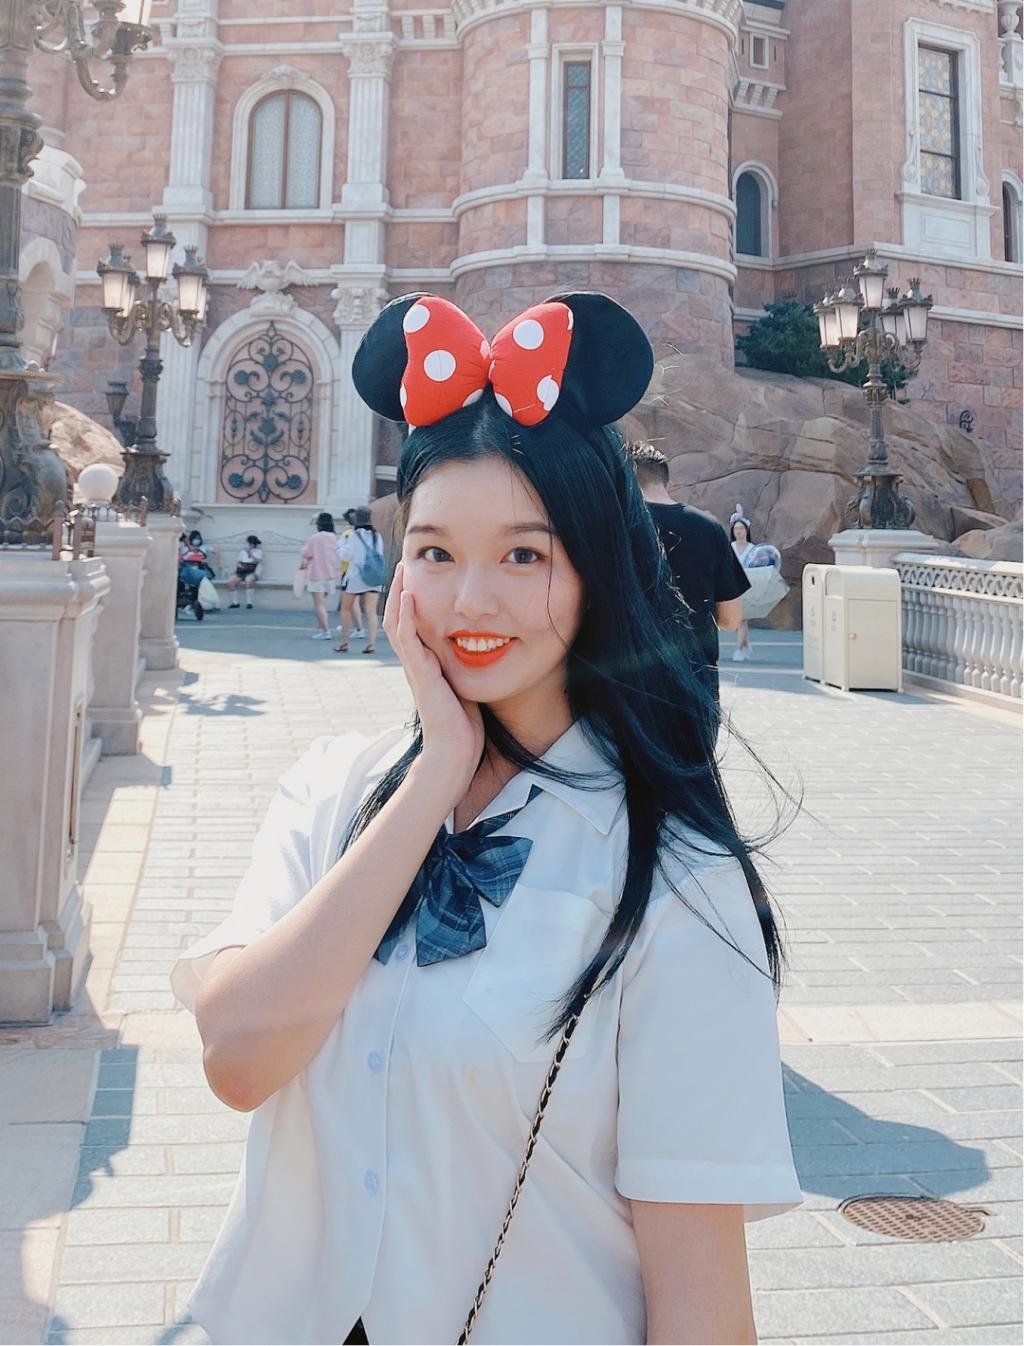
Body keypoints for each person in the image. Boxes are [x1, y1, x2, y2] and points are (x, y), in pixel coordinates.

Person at [171, 292, 801, 1346]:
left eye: (523, 556)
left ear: (597, 568)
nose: (469, 602)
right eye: (433, 552)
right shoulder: (333, 791)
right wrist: (434, 777)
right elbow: (237, 1057)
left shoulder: (676, 877)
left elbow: (701, 1301)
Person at [627, 443, 750, 709]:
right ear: (668, 484)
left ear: (623, 480)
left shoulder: (614, 525)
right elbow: (731, 619)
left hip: (629, 685)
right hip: (697, 681)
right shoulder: (710, 527)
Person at [729, 505, 790, 662]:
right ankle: (745, 645)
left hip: (749, 587)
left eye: (741, 529)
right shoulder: (730, 547)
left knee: (742, 619)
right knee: (736, 620)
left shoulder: (753, 549)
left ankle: (739, 650)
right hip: (733, 587)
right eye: (736, 529)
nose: (739, 532)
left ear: (746, 531)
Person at [335, 506, 384, 654]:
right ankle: (371, 643)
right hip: (374, 576)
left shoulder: (354, 536)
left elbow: (347, 556)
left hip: (356, 576)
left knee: (346, 609)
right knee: (371, 611)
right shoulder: (377, 536)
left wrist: (339, 548)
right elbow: (380, 554)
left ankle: (344, 642)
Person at [298, 512, 340, 640]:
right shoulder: (334, 538)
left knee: (319, 604)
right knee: (322, 603)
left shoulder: (315, 538)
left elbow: (306, 553)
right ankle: (321, 627)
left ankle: (325, 631)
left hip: (317, 574)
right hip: (331, 575)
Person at [336, 508, 366, 639]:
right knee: (355, 602)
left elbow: (345, 554)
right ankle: (356, 626)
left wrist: (339, 549)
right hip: (361, 570)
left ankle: (357, 627)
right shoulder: (365, 534)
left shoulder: (348, 534)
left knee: (349, 603)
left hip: (348, 571)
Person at [226, 535, 263, 609]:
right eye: (250, 543)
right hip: (241, 570)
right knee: (230, 582)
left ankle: (249, 603)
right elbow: (239, 561)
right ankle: (235, 603)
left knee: (248, 581)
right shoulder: (243, 551)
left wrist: (250, 553)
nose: (251, 545)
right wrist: (239, 566)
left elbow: (256, 562)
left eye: (252, 543)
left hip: (252, 570)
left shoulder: (259, 551)